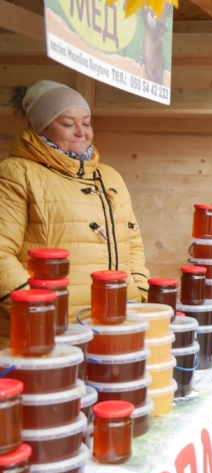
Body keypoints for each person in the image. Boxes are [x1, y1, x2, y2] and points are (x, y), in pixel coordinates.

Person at [0, 80, 149, 344]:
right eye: (68, 124)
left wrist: (138, 290)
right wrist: (38, 309)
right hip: (50, 332)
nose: (81, 131)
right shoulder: (17, 173)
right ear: (40, 129)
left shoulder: (110, 176)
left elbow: (132, 242)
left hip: (117, 323)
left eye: (87, 122)